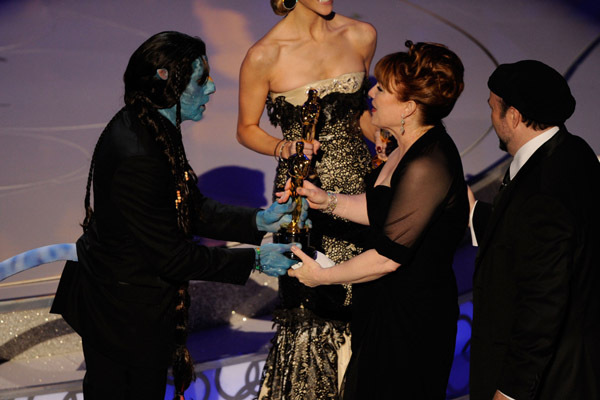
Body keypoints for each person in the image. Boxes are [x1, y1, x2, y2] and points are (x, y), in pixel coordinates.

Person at [50, 31, 302, 400]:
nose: (213, 88)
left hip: (134, 309)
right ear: (170, 88)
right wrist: (257, 260)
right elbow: (171, 255)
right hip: (122, 317)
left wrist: (260, 221)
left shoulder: (155, 124)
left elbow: (189, 207)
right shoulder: (139, 154)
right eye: (202, 80)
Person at [284, 41, 469, 399]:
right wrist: (327, 200)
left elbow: (388, 256)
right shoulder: (405, 147)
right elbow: (385, 210)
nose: (371, 92)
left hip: (411, 319)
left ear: (409, 107)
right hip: (384, 307)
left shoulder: (428, 163)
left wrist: (321, 277)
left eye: (382, 89)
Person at [236, 1, 377, 398]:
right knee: (314, 307)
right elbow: (246, 128)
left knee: (366, 296)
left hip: (359, 187)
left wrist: (384, 136)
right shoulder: (265, 54)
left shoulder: (361, 35)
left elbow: (362, 112)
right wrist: (287, 146)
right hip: (303, 196)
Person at [468, 60, 600, 400]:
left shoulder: (544, 187)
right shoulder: (575, 153)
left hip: (547, 382)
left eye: (493, 108)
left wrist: (510, 391)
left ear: (512, 116)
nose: (491, 118)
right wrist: (473, 213)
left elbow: (543, 300)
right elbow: (529, 242)